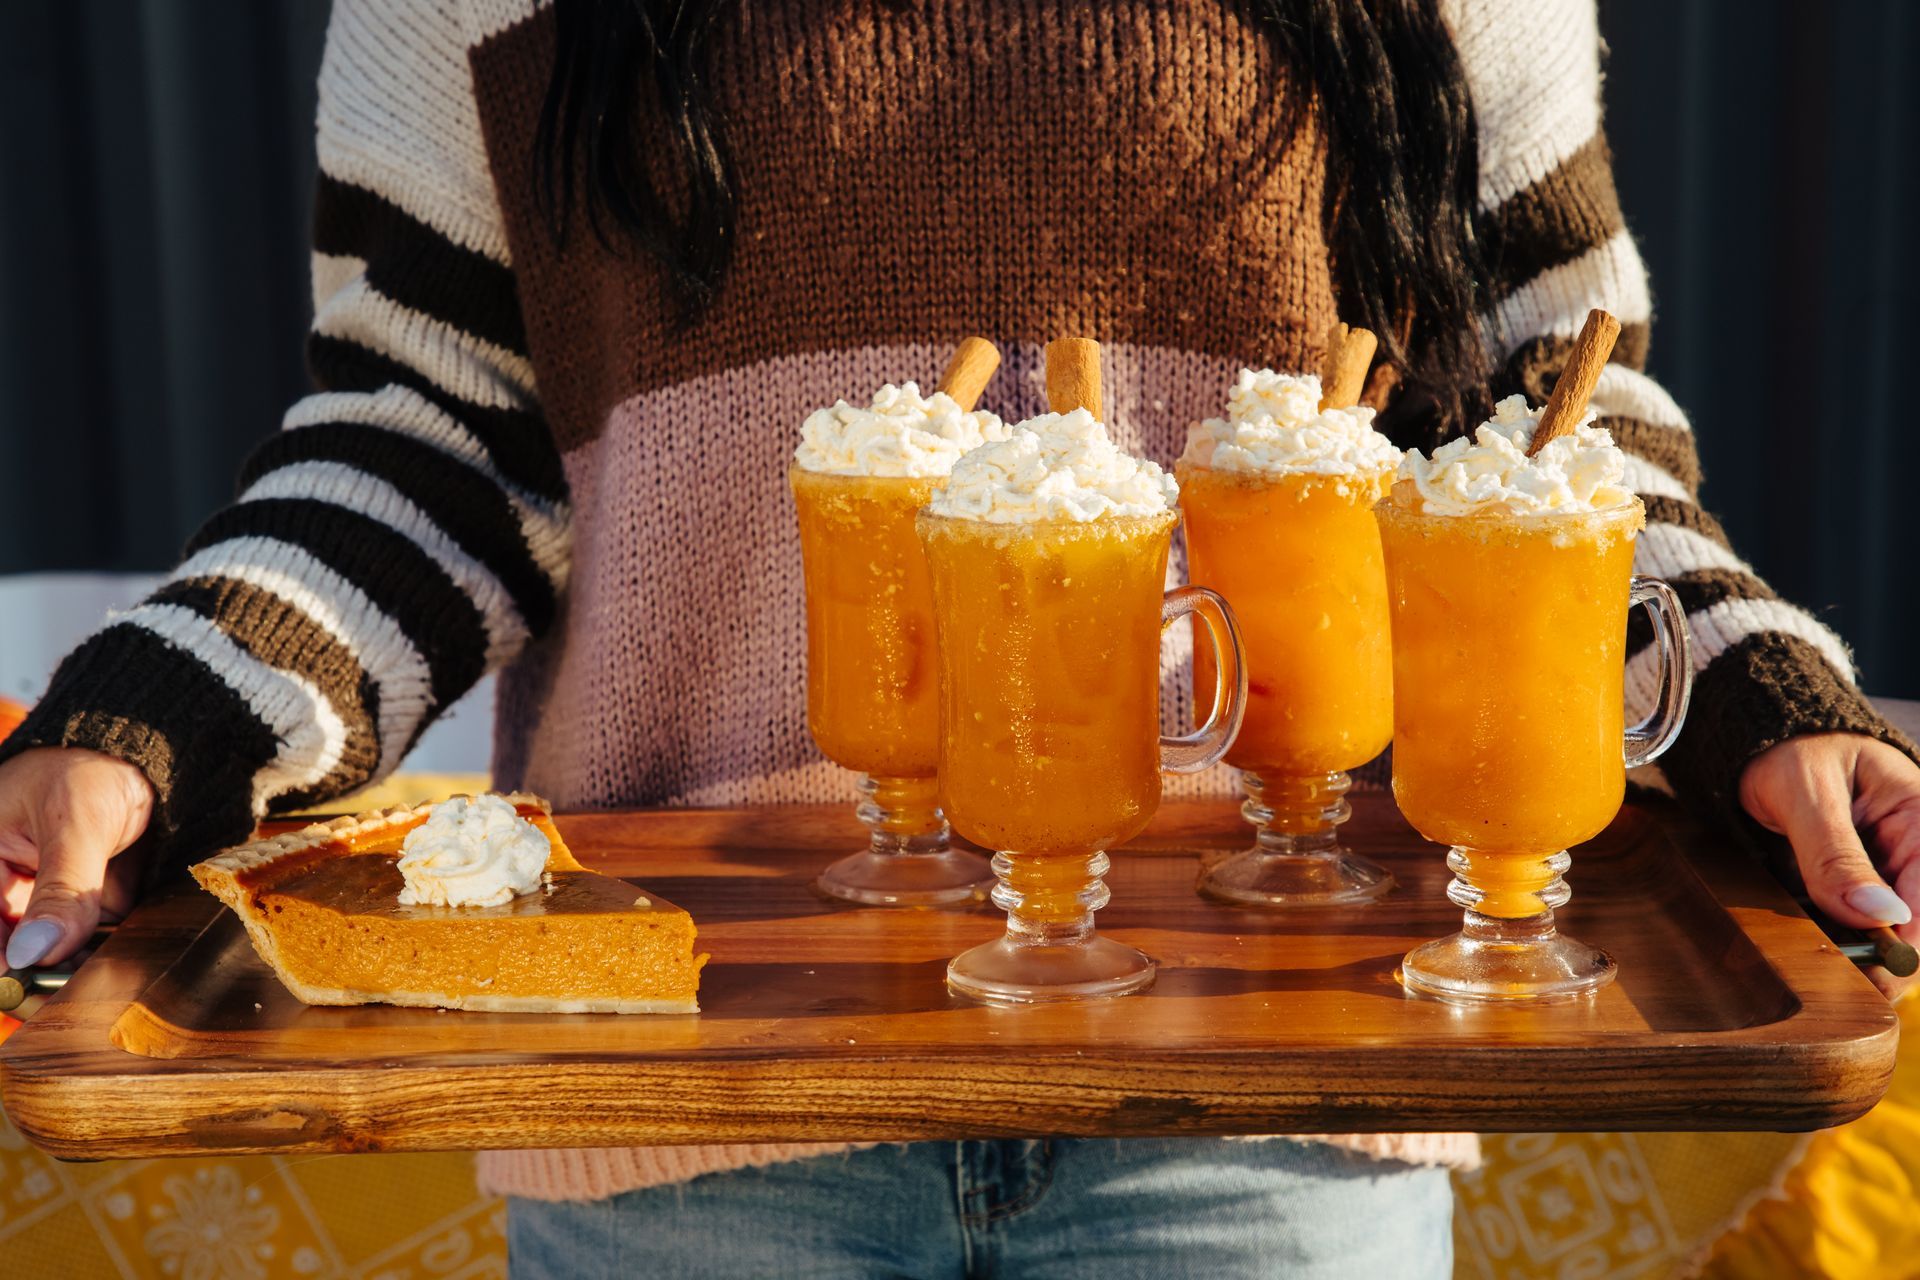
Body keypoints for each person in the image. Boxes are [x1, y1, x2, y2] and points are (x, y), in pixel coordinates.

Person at [3, 0, 1915, 1275]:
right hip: (693, 1100)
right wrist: (140, 737)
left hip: (1275, 1078)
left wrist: (1755, 689)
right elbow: (426, 443)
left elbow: (1547, 431)